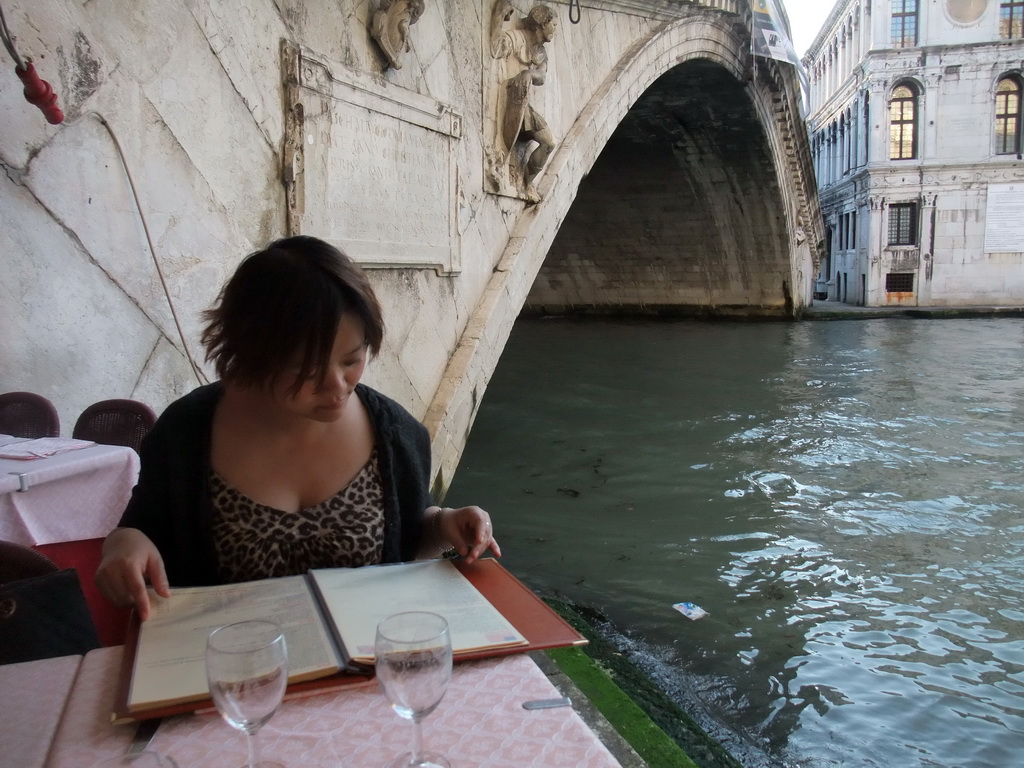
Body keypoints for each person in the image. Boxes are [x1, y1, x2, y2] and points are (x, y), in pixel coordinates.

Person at [95, 235, 499, 620]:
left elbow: (408, 539)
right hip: (232, 669)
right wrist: (125, 545)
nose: (336, 387)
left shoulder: (395, 433)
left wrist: (445, 523)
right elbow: (139, 529)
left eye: (351, 360)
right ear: (252, 353)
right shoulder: (185, 432)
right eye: (305, 370)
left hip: (366, 674)